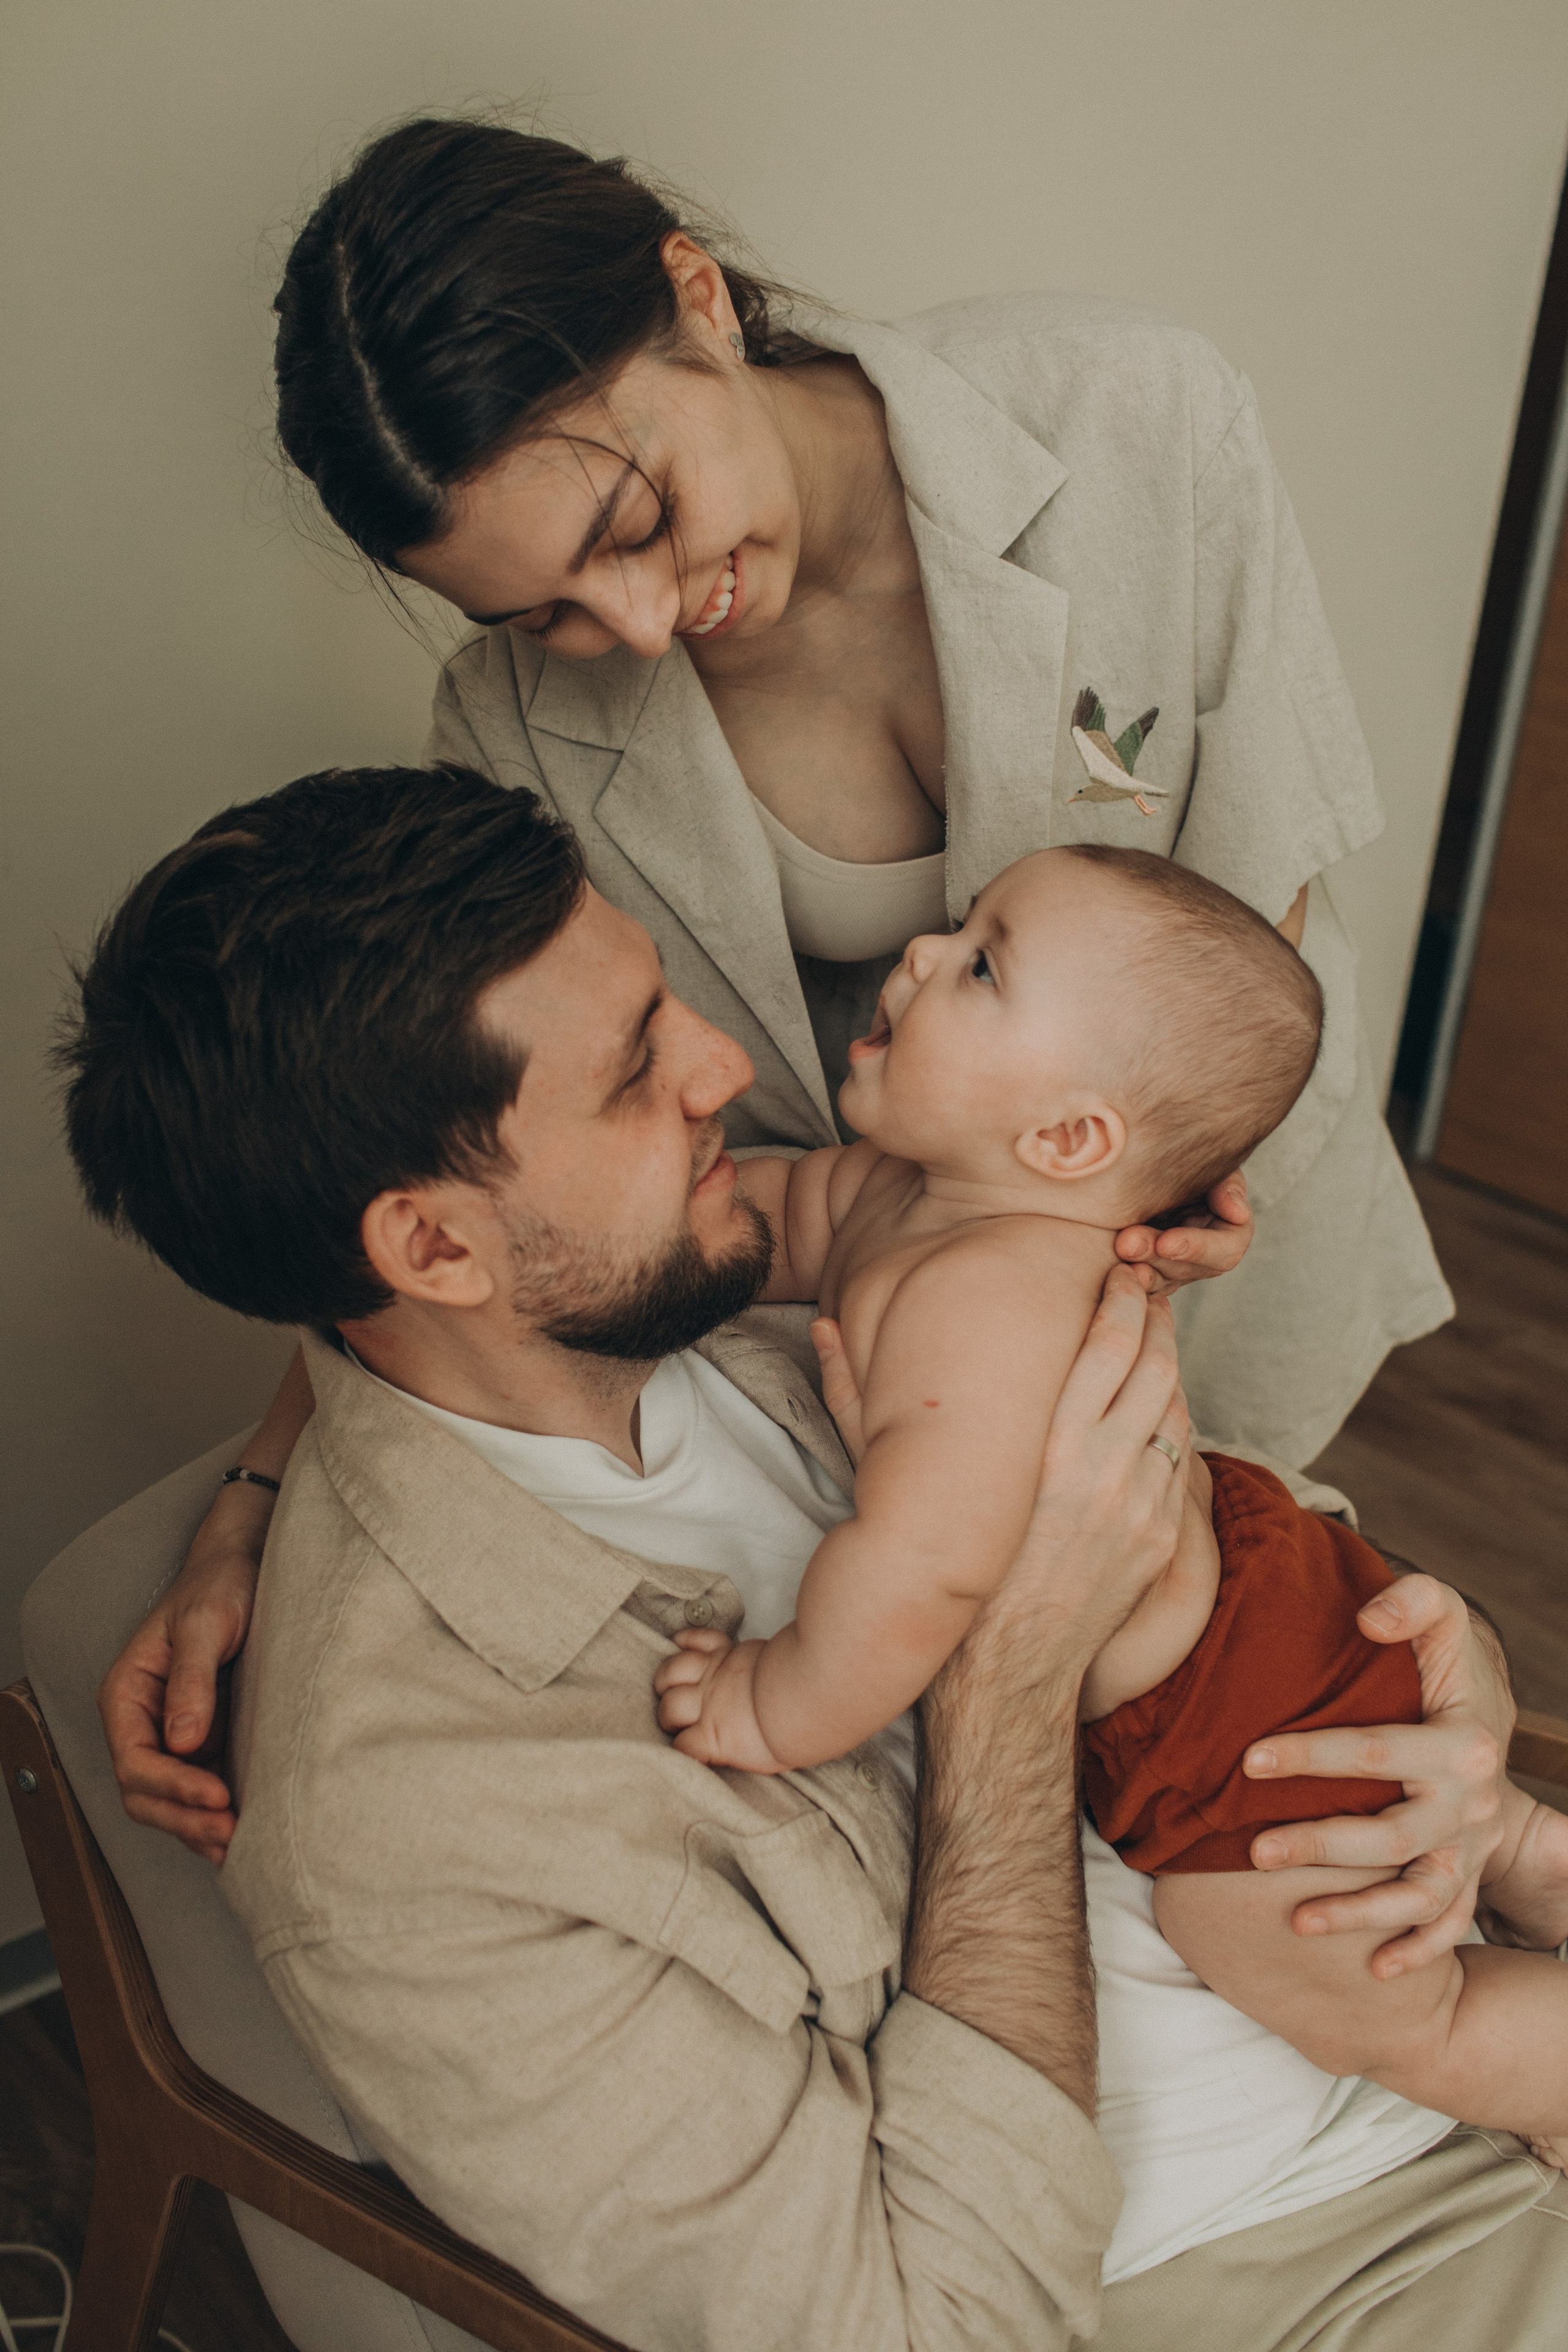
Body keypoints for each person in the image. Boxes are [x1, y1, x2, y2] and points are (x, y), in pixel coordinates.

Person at [60, 766, 1567, 2350]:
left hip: (1446, 2044)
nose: (726, 1064)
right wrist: (1016, 1665)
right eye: (641, 1062)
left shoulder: (759, 1278)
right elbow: (931, 2328)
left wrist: (1474, 1757)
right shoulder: (414, 1819)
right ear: (433, 1245)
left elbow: (1271, 1539)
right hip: (1252, 2278)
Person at [100, 109, 1456, 1839]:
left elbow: (1244, 937)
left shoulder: (1135, 419)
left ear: (698, 298)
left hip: (1215, 1241)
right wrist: (256, 1496)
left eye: (638, 516)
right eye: (550, 613)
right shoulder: (510, 733)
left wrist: (1166, 1182)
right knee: (1114, 1781)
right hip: (893, 1353)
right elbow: (453, 1152)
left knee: (1287, 1680)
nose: (646, 625)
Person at [647, 842, 1568, 2182]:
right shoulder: (899, 1187)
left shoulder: (983, 1303)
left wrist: (771, 1698)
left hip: (1236, 1718)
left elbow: (922, 1570)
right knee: (1387, 1858)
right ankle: (1527, 1851)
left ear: (1067, 1140)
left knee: (1364, 2004)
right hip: (1252, 1562)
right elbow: (766, 1227)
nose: (916, 954)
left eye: (977, 965)